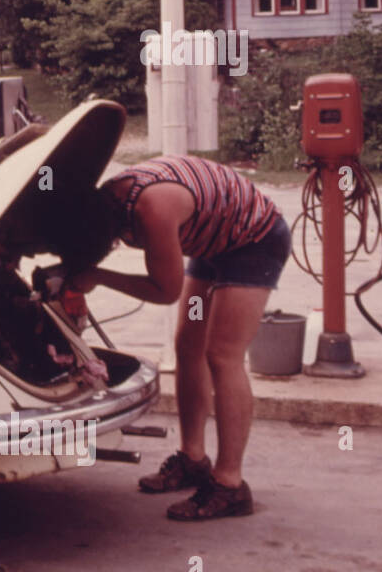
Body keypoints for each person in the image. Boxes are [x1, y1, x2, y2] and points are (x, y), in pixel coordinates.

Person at [68, 154, 291, 521]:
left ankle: (230, 485)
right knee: (188, 346)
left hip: (254, 242)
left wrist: (99, 276)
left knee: (223, 354)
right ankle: (192, 459)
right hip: (210, 244)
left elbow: (165, 290)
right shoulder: (110, 199)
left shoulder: (151, 209)